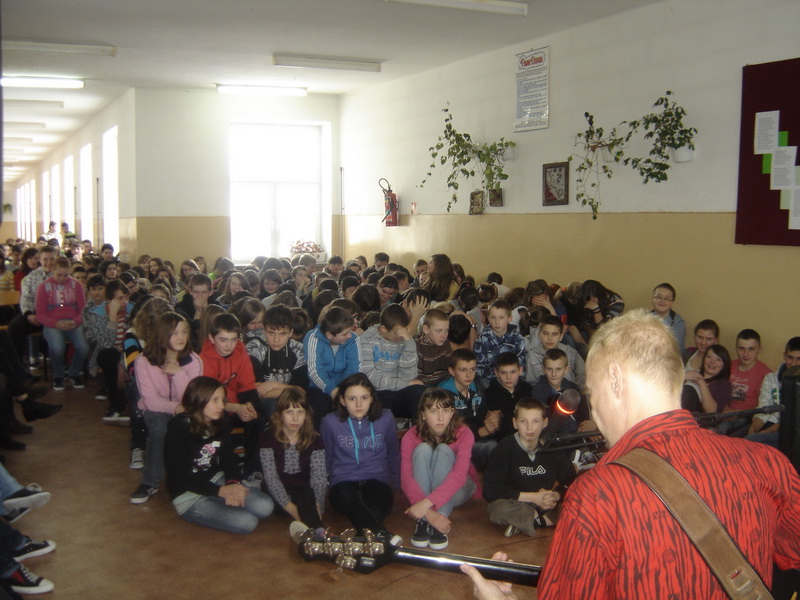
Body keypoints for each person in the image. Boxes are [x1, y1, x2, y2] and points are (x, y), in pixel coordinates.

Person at [461, 309, 800, 599]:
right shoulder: (768, 463)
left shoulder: (596, 496)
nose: (594, 406)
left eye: (592, 391)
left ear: (616, 380)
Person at [163, 376, 273, 534]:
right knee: (247, 522)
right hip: (188, 494)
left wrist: (232, 483)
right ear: (198, 400)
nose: (221, 406)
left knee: (265, 506)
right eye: (215, 400)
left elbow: (229, 459)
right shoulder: (178, 429)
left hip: (215, 479)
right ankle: (211, 505)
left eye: (223, 400)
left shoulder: (221, 421)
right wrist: (221, 492)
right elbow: (180, 478)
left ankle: (221, 501)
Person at [320, 373, 401, 544]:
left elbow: (393, 453)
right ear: (342, 400)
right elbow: (326, 457)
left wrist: (396, 484)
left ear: (372, 398)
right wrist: (319, 495)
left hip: (377, 478)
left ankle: (365, 537)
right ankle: (381, 534)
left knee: (377, 505)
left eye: (364, 397)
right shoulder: (330, 422)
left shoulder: (386, 418)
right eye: (352, 399)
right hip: (343, 481)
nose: (358, 404)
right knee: (349, 500)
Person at [131, 312, 202, 504]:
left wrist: (179, 373)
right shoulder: (144, 361)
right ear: (162, 334)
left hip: (186, 409)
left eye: (184, 332)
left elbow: (193, 398)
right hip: (157, 409)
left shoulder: (193, 360)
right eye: (174, 333)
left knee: (193, 426)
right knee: (160, 427)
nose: (181, 337)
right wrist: (176, 407)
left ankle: (192, 478)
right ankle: (150, 481)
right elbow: (150, 400)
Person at [483, 397, 575, 538]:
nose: (530, 427)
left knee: (576, 504)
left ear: (545, 423)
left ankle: (534, 521)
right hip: (518, 502)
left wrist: (555, 495)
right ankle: (545, 519)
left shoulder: (552, 447)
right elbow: (490, 490)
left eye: (535, 421)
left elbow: (571, 481)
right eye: (523, 421)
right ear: (515, 423)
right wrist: (533, 497)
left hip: (546, 502)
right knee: (496, 510)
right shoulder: (504, 448)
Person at [401, 388, 478, 550]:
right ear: (423, 414)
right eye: (434, 411)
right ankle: (425, 521)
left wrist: (424, 504)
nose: (441, 417)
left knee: (443, 449)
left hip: (459, 488)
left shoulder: (464, 433)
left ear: (452, 413)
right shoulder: (410, 436)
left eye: (445, 411)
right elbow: (406, 478)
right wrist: (429, 513)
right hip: (426, 490)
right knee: (422, 449)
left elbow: (458, 476)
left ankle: (440, 521)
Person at [258, 387, 327, 534]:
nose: (295, 418)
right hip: (278, 490)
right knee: (284, 506)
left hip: (302, 489)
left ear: (306, 415)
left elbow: (319, 476)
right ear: (280, 414)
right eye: (289, 412)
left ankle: (318, 532)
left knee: (308, 495)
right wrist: (291, 509)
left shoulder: (315, 440)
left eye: (300, 412)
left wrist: (317, 506)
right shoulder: (267, 438)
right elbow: (271, 477)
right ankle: (315, 529)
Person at [359, 303, 425, 420]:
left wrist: (409, 343)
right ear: (383, 329)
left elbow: (409, 376)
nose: (402, 336)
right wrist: (406, 384)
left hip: (398, 390)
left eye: (405, 330)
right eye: (397, 332)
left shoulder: (405, 339)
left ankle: (420, 430)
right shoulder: (366, 340)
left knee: (422, 394)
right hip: (377, 392)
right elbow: (371, 379)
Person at [35, 257, 90, 391]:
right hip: (52, 324)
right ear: (53, 271)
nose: (62, 278)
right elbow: (40, 315)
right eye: (59, 275)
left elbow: (83, 310)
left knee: (84, 347)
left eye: (66, 275)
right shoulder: (43, 287)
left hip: (73, 323)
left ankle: (74, 372)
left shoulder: (76, 285)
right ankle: (58, 375)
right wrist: (56, 323)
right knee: (57, 347)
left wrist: (75, 321)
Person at [246, 305, 309, 418]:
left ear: (291, 332)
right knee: (273, 405)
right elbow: (257, 391)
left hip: (290, 401)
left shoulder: (298, 350)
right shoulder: (255, 347)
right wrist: (290, 389)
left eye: (282, 334)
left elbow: (301, 391)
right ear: (264, 330)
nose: (276, 340)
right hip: (261, 403)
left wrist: (273, 385)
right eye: (271, 333)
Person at [85, 279, 133, 424]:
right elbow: (106, 343)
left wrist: (122, 363)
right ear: (109, 300)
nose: (124, 302)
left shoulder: (132, 310)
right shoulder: (96, 314)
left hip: (127, 353)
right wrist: (112, 318)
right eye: (119, 298)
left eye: (125, 297)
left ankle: (115, 408)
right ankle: (116, 405)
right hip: (106, 353)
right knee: (110, 356)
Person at [304, 306, 362, 427]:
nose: (349, 335)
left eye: (350, 331)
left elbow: (354, 369)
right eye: (345, 333)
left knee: (354, 403)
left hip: (345, 385)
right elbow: (315, 371)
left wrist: (345, 391)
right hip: (319, 387)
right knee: (320, 405)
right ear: (329, 335)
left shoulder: (353, 339)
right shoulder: (313, 338)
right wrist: (333, 391)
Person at [439, 349, 496, 465]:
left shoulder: (477, 389)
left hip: (478, 439)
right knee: (493, 448)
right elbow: (448, 431)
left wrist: (492, 419)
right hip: (454, 446)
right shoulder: (443, 394)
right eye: (463, 370)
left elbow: (483, 415)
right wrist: (480, 431)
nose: (469, 375)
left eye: (472, 369)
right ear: (452, 371)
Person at [715, 328, 772, 436]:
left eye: (751, 349)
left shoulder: (766, 374)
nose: (746, 354)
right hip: (724, 414)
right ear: (736, 348)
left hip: (747, 418)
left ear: (759, 349)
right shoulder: (729, 366)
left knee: (724, 429)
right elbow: (718, 391)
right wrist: (724, 408)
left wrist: (738, 414)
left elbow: (764, 406)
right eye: (741, 348)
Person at [746, 336, 800, 447]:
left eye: (799, 359)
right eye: (790, 357)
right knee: (736, 438)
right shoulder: (770, 378)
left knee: (750, 441)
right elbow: (763, 407)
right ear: (784, 355)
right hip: (768, 422)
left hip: (790, 431)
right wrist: (755, 426)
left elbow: (791, 420)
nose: (794, 363)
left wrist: (762, 433)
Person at [474, 299, 525, 388]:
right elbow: (479, 367)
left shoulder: (517, 339)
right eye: (493, 318)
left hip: (512, 379)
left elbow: (520, 364)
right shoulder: (482, 339)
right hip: (489, 381)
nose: (497, 322)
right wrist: (498, 378)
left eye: (501, 318)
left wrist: (508, 378)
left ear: (509, 318)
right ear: (488, 318)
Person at [483, 351, 532, 442]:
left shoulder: (527, 388)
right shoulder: (490, 393)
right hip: (504, 439)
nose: (509, 377)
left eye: (513, 372)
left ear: (520, 370)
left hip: (527, 433)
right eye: (503, 373)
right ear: (496, 372)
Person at [525, 315, 585, 387]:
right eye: (545, 333)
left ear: (561, 336)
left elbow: (583, 376)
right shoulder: (532, 356)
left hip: (570, 391)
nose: (550, 338)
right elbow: (531, 383)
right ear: (538, 335)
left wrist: (579, 391)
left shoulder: (570, 352)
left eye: (555, 334)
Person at [681, 344, 732, 413]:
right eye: (709, 357)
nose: (712, 361)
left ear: (724, 364)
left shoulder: (724, 384)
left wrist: (702, 383)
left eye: (718, 359)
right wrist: (682, 376)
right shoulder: (693, 374)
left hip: (698, 417)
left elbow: (711, 411)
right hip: (677, 410)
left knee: (689, 390)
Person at [415, 308, 453, 386]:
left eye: (446, 331)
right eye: (439, 331)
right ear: (426, 329)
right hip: (423, 387)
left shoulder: (445, 343)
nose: (443, 335)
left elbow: (448, 372)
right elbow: (417, 379)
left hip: (441, 385)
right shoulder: (417, 346)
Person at [650, 282, 686, 353]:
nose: (662, 301)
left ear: (672, 302)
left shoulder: (678, 323)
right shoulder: (644, 318)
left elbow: (676, 349)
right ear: (653, 299)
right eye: (658, 297)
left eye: (667, 298)